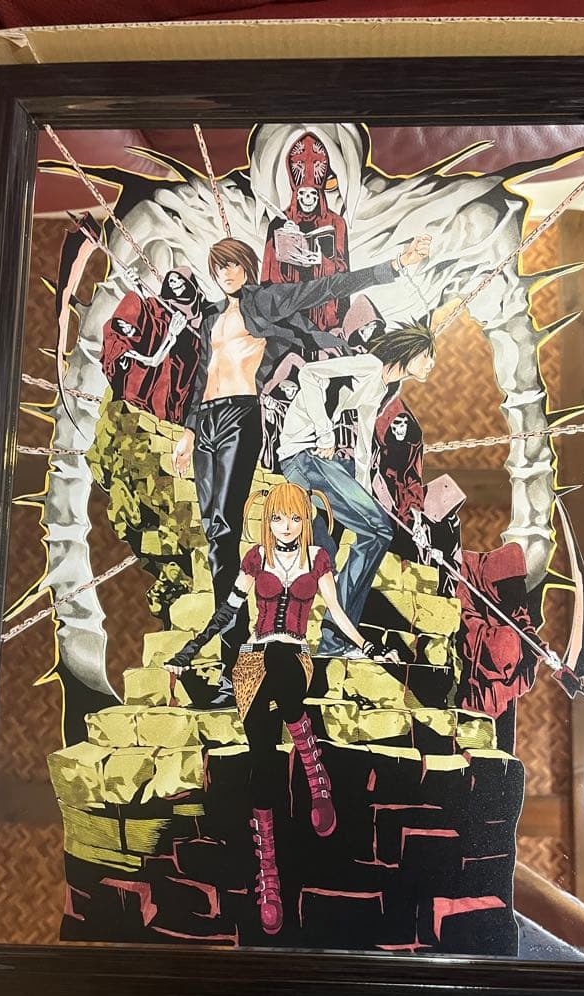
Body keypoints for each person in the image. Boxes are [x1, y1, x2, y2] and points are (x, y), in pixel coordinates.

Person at [170, 234, 431, 704]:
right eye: (218, 267)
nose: (226, 274)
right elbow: (202, 374)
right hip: (208, 423)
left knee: (227, 533)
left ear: (247, 266)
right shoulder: (211, 317)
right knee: (215, 538)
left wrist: (394, 264)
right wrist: (189, 430)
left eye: (232, 265)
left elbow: (325, 287)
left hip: (239, 418)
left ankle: (236, 667)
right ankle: (242, 661)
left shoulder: (264, 301)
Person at [164, 483, 379, 935]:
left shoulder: (317, 559)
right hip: (251, 663)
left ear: (306, 521)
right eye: (278, 518)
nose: (286, 526)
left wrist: (368, 646)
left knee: (281, 656)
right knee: (261, 760)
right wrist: (188, 651)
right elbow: (227, 612)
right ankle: (269, 876)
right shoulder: (255, 559)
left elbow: (337, 612)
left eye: (295, 518)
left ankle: (313, 768)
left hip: (294, 658)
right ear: (267, 521)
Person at [277, 321, 437, 657]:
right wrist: (325, 432)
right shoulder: (370, 365)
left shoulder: (383, 387)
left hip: (316, 461)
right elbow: (308, 374)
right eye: (427, 355)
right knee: (378, 530)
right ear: (410, 352)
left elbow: (364, 442)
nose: (431, 363)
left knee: (378, 530)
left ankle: (336, 637)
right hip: (303, 456)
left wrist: (364, 494)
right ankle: (335, 639)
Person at [260, 131, 349, 333]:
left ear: (320, 194)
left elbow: (344, 274)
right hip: (289, 314)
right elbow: (267, 278)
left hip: (323, 312)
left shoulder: (336, 223)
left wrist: (320, 261)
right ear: (295, 194)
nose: (307, 199)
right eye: (302, 194)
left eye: (312, 194)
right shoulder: (278, 223)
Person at [101, 266, 203, 424]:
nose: (174, 283)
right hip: (145, 378)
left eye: (179, 279)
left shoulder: (200, 312)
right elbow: (148, 319)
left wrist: (137, 286)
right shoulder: (119, 342)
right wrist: (172, 335)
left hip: (177, 360)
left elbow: (145, 318)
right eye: (171, 280)